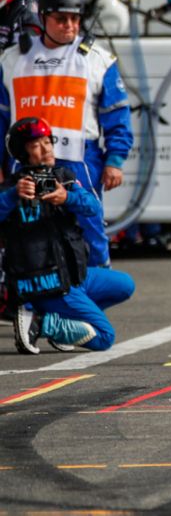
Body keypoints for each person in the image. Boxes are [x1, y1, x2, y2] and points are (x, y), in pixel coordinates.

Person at [0, 0, 132, 268]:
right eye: (61, 19)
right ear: (43, 17)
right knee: (22, 233)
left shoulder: (98, 60)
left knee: (89, 228)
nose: (69, 26)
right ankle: (27, 292)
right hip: (22, 164)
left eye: (75, 19)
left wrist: (115, 161)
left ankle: (95, 289)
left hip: (81, 162)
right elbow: (1, 120)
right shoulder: (11, 60)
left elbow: (117, 115)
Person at [5, 117, 134, 353]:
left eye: (47, 142)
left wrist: (67, 198)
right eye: (36, 145)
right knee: (105, 337)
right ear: (23, 154)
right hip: (46, 283)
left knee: (125, 285)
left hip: (73, 275)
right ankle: (41, 323)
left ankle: (66, 324)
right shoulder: (13, 188)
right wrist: (14, 194)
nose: (46, 149)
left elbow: (93, 208)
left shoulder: (63, 178)